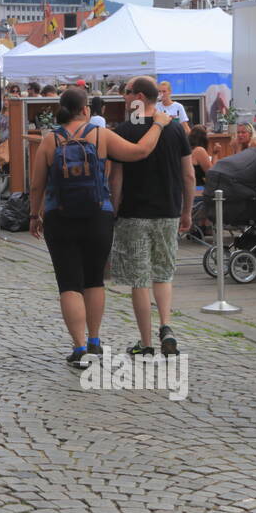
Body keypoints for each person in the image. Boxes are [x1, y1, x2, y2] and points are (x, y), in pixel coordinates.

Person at [30, 87, 173, 367]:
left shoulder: (49, 141)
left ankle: (79, 347)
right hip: (98, 215)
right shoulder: (101, 135)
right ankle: (95, 341)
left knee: (69, 283)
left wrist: (34, 216)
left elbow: (37, 184)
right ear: (86, 110)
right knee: (94, 279)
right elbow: (140, 151)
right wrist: (158, 124)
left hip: (60, 217)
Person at [108, 76, 194, 357]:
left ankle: (145, 343)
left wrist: (115, 208)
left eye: (127, 91)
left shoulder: (123, 129)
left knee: (139, 278)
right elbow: (189, 174)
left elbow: (116, 177)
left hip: (134, 212)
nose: (123, 96)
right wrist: (187, 210)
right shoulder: (175, 130)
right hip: (168, 210)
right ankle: (166, 325)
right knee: (163, 272)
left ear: (141, 97)